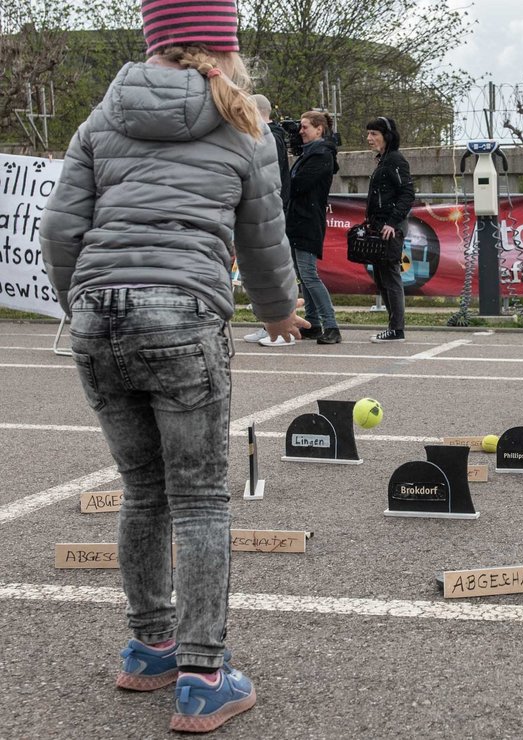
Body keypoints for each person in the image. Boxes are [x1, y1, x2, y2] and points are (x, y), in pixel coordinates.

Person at [39, 0, 307, 732]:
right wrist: (280, 311)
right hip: (181, 316)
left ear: (153, 41)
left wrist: (87, 303)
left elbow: (61, 227)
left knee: (142, 492)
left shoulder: (101, 118)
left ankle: (149, 647)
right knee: (198, 499)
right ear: (224, 48)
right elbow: (263, 235)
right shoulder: (242, 120)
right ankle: (203, 675)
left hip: (97, 317)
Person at [245, 93, 295, 347]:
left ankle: (277, 327)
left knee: (271, 268)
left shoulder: (270, 138)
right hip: (270, 207)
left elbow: (268, 178)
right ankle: (267, 323)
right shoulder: (268, 136)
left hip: (272, 208)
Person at [287, 109, 341, 344]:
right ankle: (313, 323)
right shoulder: (309, 153)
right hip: (298, 219)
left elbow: (298, 184)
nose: (301, 131)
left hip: (308, 220)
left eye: (305, 127)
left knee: (309, 274)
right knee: (303, 274)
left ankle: (331, 325)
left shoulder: (321, 155)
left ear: (319, 129)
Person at [364, 116, 415, 342]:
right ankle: (393, 325)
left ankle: (397, 328)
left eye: (374, 134)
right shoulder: (383, 160)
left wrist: (392, 223)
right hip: (379, 226)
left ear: (387, 136)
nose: (369, 138)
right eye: (369, 134)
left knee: (390, 275)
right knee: (381, 276)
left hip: (390, 227)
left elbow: (407, 194)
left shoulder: (395, 160)